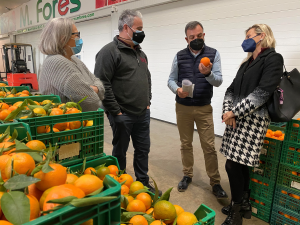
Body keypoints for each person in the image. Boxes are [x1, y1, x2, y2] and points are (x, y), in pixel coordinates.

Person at [220, 24, 283, 225]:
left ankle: (236, 214)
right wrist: (227, 111)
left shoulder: (273, 58)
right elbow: (230, 90)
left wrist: (234, 112)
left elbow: (262, 94)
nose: (245, 40)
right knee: (239, 165)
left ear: (261, 36)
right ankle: (243, 204)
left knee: (232, 164)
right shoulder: (246, 63)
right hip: (236, 120)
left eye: (249, 36)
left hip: (253, 121)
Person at [94, 10, 160, 195]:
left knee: (142, 150)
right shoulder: (108, 52)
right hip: (122, 114)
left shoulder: (140, 53)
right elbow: (102, 83)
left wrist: (148, 102)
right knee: (120, 151)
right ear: (126, 28)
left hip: (142, 113)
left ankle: (143, 183)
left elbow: (147, 78)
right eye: (139, 28)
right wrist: (116, 112)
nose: (142, 32)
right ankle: (120, 183)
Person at [167, 21, 227, 199]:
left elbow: (218, 81)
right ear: (186, 39)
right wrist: (177, 89)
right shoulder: (179, 56)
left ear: (204, 35)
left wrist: (208, 73)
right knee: (186, 144)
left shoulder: (213, 54)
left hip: (203, 108)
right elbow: (170, 79)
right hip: (183, 108)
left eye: (199, 36)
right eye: (192, 37)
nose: (196, 39)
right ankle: (187, 175)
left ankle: (215, 182)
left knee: (209, 146)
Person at [39, 18, 104, 111]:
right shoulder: (57, 62)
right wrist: (92, 90)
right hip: (66, 123)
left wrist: (93, 89)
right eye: (76, 35)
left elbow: (97, 81)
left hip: (80, 122)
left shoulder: (74, 59)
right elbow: (91, 101)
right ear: (63, 38)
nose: (79, 38)